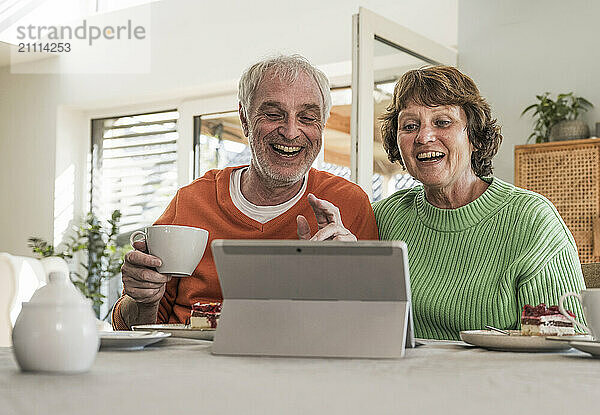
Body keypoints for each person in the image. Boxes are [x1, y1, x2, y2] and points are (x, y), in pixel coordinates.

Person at [112, 55, 378, 330]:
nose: (290, 132)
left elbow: (372, 328)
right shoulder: (191, 201)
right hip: (189, 366)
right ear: (245, 119)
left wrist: (347, 280)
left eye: (307, 117)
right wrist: (141, 299)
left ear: (321, 124)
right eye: (273, 115)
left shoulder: (347, 203)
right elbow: (132, 326)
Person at [374, 65, 585, 340]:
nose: (423, 137)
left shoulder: (531, 219)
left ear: (473, 136)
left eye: (442, 122)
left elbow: (567, 340)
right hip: (399, 379)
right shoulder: (384, 217)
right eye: (410, 126)